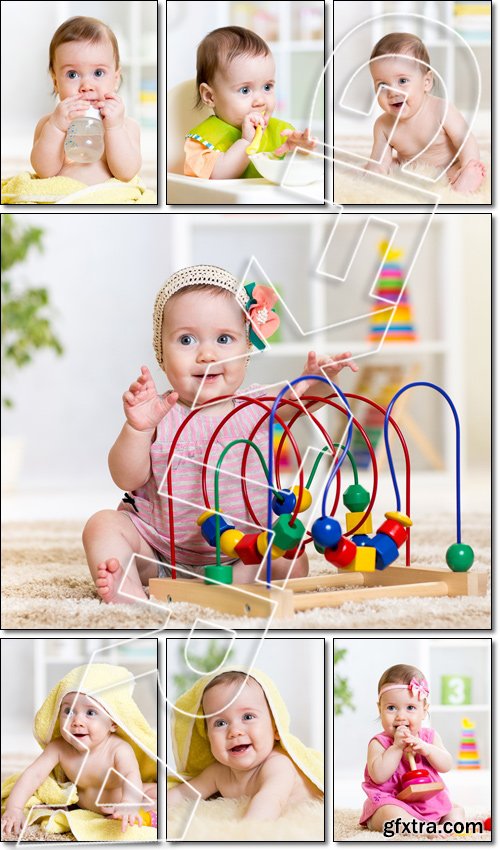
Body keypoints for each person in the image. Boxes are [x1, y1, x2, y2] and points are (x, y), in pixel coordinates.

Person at [82, 264, 358, 604]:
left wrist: (319, 377)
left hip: (241, 555)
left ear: (246, 348)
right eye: (186, 339)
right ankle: (128, 588)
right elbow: (126, 477)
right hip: (157, 554)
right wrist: (137, 429)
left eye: (224, 339)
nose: (207, 354)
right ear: (161, 353)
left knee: (291, 560)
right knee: (102, 525)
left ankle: (224, 587)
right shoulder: (158, 411)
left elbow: (305, 400)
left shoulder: (256, 404)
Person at [1, 664, 157, 837]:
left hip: (128, 801)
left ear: (113, 723)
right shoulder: (59, 748)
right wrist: (14, 807)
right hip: (86, 806)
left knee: (161, 797)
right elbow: (34, 774)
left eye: (90, 712)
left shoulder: (118, 749)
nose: (77, 721)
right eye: (68, 711)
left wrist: (129, 803)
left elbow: (130, 776)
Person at [167, 668, 324, 821]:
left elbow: (270, 801)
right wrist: (152, 805)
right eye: (220, 723)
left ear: (275, 728)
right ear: (207, 736)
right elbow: (184, 794)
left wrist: (244, 834)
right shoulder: (218, 773)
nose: (235, 731)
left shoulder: (278, 765)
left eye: (248, 717)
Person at [184, 26, 316, 178]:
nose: (260, 101)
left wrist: (301, 151)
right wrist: (247, 142)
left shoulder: (280, 132)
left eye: (267, 87)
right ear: (210, 96)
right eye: (245, 90)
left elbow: (296, 177)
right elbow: (216, 176)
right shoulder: (202, 140)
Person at [365, 33, 486, 193]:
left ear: (426, 82)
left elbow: (465, 141)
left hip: (448, 167)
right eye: (382, 85)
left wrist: (468, 164)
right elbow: (379, 161)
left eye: (402, 81)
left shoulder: (442, 110)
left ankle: (467, 178)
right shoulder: (383, 126)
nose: (392, 92)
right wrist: (373, 174)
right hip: (411, 170)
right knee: (388, 168)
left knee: (461, 169)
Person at [30, 16, 141, 184]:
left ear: (116, 78)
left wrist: (114, 127)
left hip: (108, 200)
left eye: (98, 73)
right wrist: (57, 127)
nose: (86, 86)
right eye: (72, 74)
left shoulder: (126, 126)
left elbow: (127, 173)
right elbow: (44, 172)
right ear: (56, 82)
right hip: (64, 200)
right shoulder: (48, 124)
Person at [360, 664, 465, 832]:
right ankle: (421, 829)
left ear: (424, 711)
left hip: (427, 801)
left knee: (455, 809)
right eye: (391, 708)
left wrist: (428, 749)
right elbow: (378, 776)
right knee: (386, 814)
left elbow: (447, 765)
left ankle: (449, 827)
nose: (400, 716)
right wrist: (396, 748)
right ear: (379, 709)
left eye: (410, 708)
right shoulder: (379, 743)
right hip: (393, 801)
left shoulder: (429, 737)